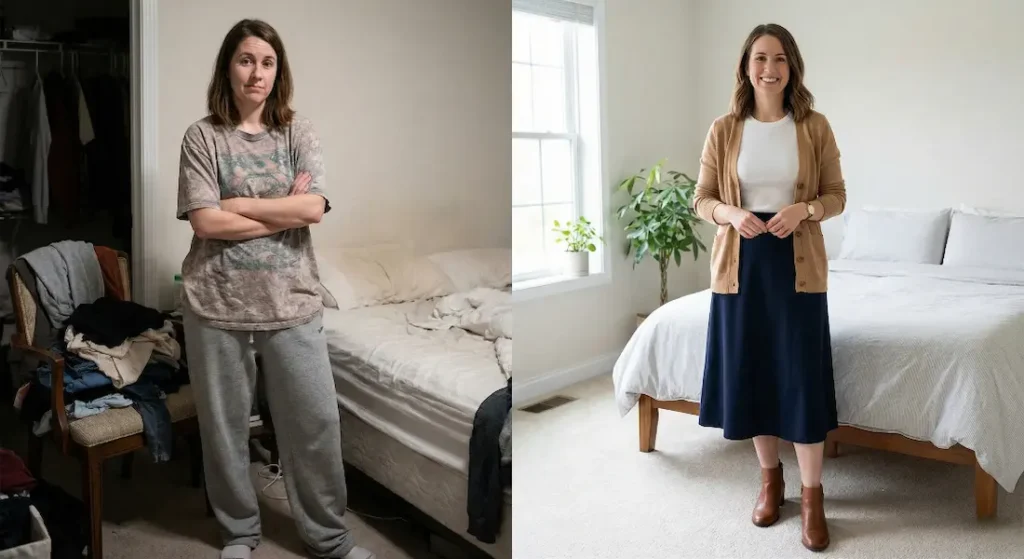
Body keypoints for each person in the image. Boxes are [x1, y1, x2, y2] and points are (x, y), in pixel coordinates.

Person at [176, 19, 374, 559]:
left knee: (314, 423)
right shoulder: (202, 136)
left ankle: (329, 537)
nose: (256, 72)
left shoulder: (297, 133)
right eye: (245, 60)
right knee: (224, 430)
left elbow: (313, 208)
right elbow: (205, 224)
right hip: (215, 304)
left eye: (267, 62)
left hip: (292, 301)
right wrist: (280, 211)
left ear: (277, 71)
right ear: (228, 67)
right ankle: (239, 533)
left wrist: (237, 204)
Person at [691, 23, 846, 552]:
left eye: (779, 59)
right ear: (746, 66)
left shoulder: (814, 125)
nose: (769, 68)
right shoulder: (724, 128)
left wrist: (805, 209)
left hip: (797, 265)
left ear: (791, 66)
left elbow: (836, 195)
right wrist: (731, 213)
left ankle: (812, 495)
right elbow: (702, 199)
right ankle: (768, 482)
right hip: (740, 267)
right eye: (760, 58)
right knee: (755, 374)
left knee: (800, 379)